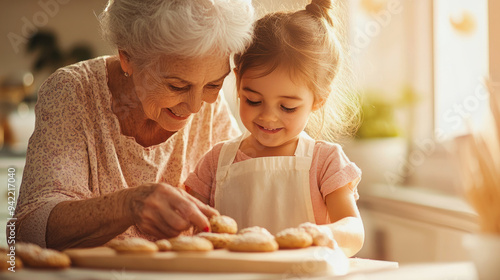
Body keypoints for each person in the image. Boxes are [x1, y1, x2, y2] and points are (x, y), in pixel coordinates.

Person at [13, 0, 254, 250]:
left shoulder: (210, 105)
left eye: (214, 85)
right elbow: (29, 229)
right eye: (176, 86)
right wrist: (127, 205)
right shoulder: (73, 92)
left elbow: (240, 207)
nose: (195, 106)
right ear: (127, 57)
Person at [185, 0, 364, 257]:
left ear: (319, 99)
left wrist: (325, 234)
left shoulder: (324, 163)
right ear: (237, 82)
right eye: (253, 101)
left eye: (288, 107)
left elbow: (355, 231)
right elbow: (186, 223)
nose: (268, 117)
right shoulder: (215, 162)